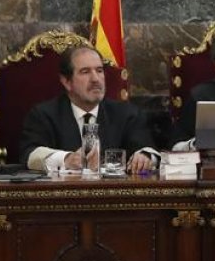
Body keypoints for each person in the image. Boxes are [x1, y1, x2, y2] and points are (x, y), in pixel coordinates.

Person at [20, 46, 157, 173]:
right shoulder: (44, 115)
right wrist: (66, 159)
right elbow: (29, 154)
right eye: (85, 72)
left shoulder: (126, 113)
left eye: (99, 70)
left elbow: (148, 148)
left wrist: (145, 156)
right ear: (66, 81)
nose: (95, 79)